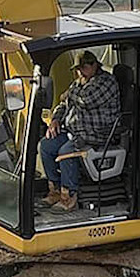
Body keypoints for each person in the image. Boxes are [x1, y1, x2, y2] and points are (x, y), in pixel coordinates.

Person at [40, 51, 121, 211]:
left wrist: (68, 94)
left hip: (96, 133)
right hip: (74, 132)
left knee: (66, 152)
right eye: (78, 69)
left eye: (83, 68)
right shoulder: (79, 83)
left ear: (94, 65)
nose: (80, 72)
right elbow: (64, 104)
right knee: (46, 145)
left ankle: (69, 196)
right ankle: (55, 189)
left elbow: (86, 99)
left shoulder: (107, 82)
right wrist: (55, 119)